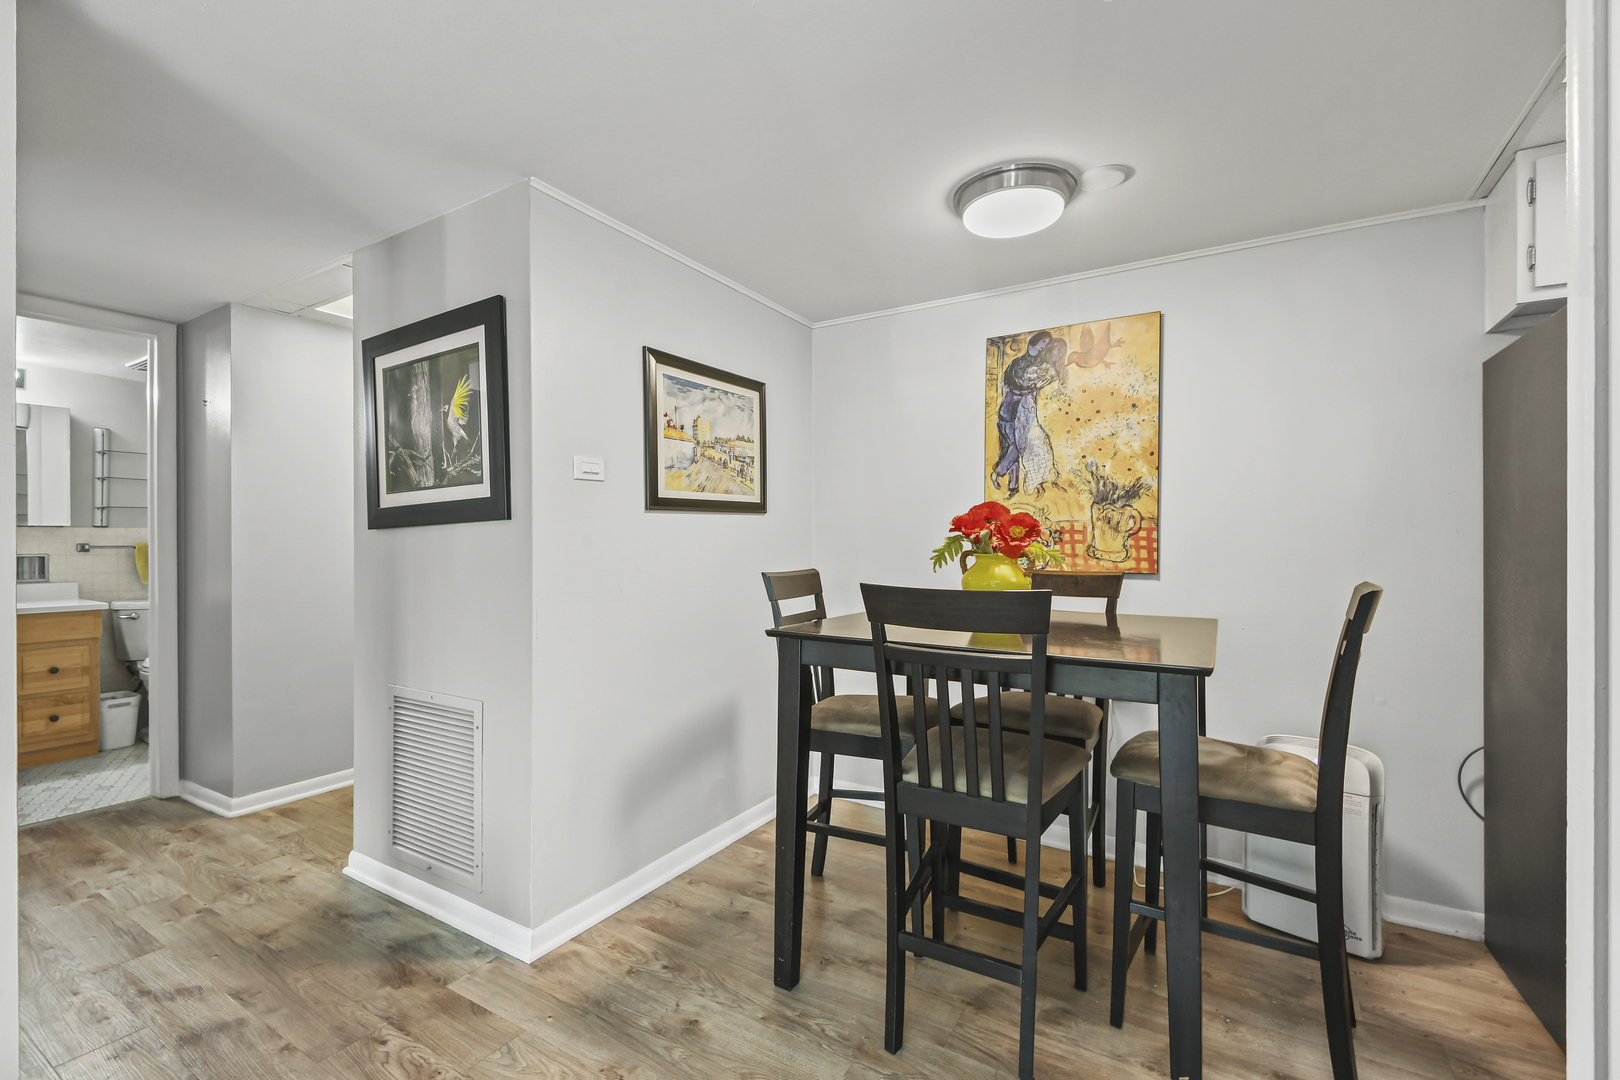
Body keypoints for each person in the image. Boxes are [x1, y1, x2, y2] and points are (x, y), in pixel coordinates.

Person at [992, 331, 1067, 497]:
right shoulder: (1018, 362)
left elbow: (1031, 383)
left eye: (1047, 344)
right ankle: (1011, 484)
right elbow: (1010, 380)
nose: (1044, 347)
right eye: (1044, 342)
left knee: (1019, 445)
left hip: (1025, 410)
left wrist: (1028, 386)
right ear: (1036, 341)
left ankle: (1003, 477)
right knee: (1009, 445)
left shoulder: (1043, 365)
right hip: (1009, 406)